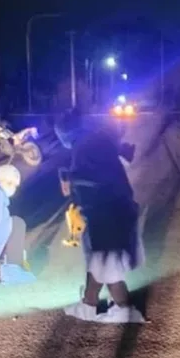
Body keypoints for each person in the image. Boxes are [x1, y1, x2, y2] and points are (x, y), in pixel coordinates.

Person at [55, 110, 146, 324]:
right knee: (98, 259)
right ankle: (89, 304)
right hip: (114, 207)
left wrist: (71, 179)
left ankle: (124, 309)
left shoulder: (83, 147)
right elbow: (119, 159)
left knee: (107, 261)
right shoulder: (97, 139)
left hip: (105, 209)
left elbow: (93, 177)